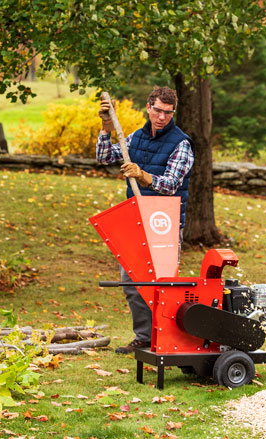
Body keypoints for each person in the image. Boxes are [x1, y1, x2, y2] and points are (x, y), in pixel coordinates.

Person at [96, 86, 194, 354]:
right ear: (148, 107)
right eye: (158, 110)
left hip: (165, 224)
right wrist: (106, 127)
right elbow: (104, 157)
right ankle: (144, 338)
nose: (162, 117)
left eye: (168, 112)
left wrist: (143, 175)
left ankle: (167, 340)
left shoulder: (180, 143)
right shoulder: (137, 138)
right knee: (131, 281)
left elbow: (172, 184)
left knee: (163, 285)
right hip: (137, 222)